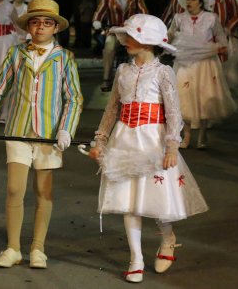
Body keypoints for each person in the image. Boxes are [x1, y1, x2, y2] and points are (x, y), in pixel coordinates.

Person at [88, 14, 208, 283]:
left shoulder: (163, 72)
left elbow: (174, 112)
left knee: (155, 198)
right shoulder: (123, 71)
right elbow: (112, 109)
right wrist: (101, 140)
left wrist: (172, 147)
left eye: (132, 36)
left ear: (148, 41)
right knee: (129, 201)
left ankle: (167, 238)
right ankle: (136, 258)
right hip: (125, 139)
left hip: (153, 139)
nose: (126, 41)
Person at [0, 0, 82, 269]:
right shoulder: (15, 53)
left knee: (44, 191)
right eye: (35, 21)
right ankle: (13, 248)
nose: (41, 27)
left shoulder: (65, 58)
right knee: (14, 189)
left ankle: (38, 249)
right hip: (18, 131)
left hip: (49, 136)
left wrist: (66, 127)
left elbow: (74, 98)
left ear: (56, 27)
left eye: (47, 22)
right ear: (28, 26)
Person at [167, 0, 237, 149]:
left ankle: (203, 134)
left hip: (205, 63)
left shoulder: (211, 18)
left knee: (204, 96)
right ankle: (187, 135)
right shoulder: (179, 18)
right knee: (184, 96)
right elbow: (170, 34)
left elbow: (221, 38)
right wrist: (166, 39)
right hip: (185, 62)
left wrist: (220, 47)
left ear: (200, 2)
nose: (189, 2)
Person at [92, 0, 148, 91]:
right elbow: (100, 11)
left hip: (131, 30)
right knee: (109, 48)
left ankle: (134, 78)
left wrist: (143, 24)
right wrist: (97, 21)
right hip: (115, 29)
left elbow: (143, 11)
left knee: (134, 51)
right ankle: (106, 79)